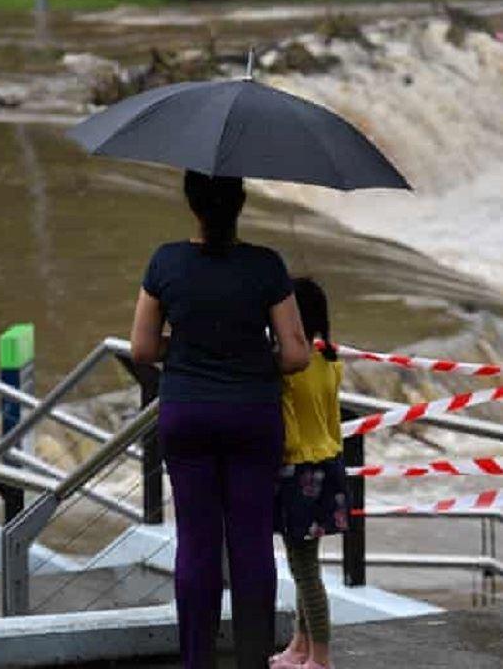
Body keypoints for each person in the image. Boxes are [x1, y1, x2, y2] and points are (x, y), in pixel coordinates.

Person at [131, 170, 310, 669]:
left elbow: (143, 348)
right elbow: (296, 354)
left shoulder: (166, 261)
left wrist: (189, 350)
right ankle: (254, 660)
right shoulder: (266, 265)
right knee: (252, 541)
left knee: (196, 540)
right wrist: (248, 357)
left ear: (191, 203)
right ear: (241, 202)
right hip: (253, 415)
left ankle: (196, 661)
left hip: (187, 412)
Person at [270, 278, 348, 669]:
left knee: (305, 570)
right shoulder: (330, 363)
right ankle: (300, 646)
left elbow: (286, 429)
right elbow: (334, 426)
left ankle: (321, 657)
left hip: (297, 471)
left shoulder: (287, 368)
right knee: (306, 563)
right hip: (329, 467)